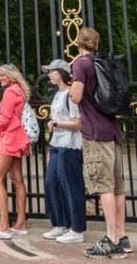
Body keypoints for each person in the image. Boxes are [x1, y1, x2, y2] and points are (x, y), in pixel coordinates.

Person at [69, 27, 131, 259]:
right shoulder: (103, 62)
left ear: (79, 42)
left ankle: (111, 239)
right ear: (96, 42)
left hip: (95, 131)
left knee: (103, 185)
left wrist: (68, 90)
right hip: (113, 130)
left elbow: (76, 96)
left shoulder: (81, 64)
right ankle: (122, 237)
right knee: (117, 187)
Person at [41, 59, 86, 244]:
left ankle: (77, 229)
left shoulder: (70, 95)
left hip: (70, 145)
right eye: (49, 71)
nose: (49, 74)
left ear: (62, 72)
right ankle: (59, 223)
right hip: (57, 145)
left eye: (52, 71)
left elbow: (79, 124)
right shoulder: (57, 95)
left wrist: (57, 124)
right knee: (51, 181)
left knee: (71, 185)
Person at [0, 64, 30, 240]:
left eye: (3, 75)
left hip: (9, 139)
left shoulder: (10, 92)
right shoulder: (19, 90)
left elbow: (4, 119)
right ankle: (20, 224)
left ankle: (4, 226)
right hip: (17, 137)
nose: (1, 78)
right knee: (17, 180)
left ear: (11, 75)